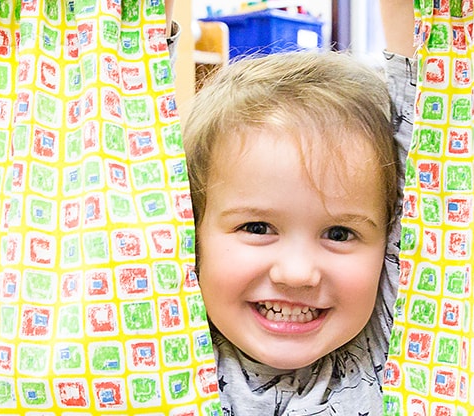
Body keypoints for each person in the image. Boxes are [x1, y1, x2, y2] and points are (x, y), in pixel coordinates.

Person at [168, 1, 418, 414]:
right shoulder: (164, 329)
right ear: (190, 229)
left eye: (339, 233)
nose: (297, 274)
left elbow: (433, 108)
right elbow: (122, 85)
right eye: (257, 227)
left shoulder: (398, 334)